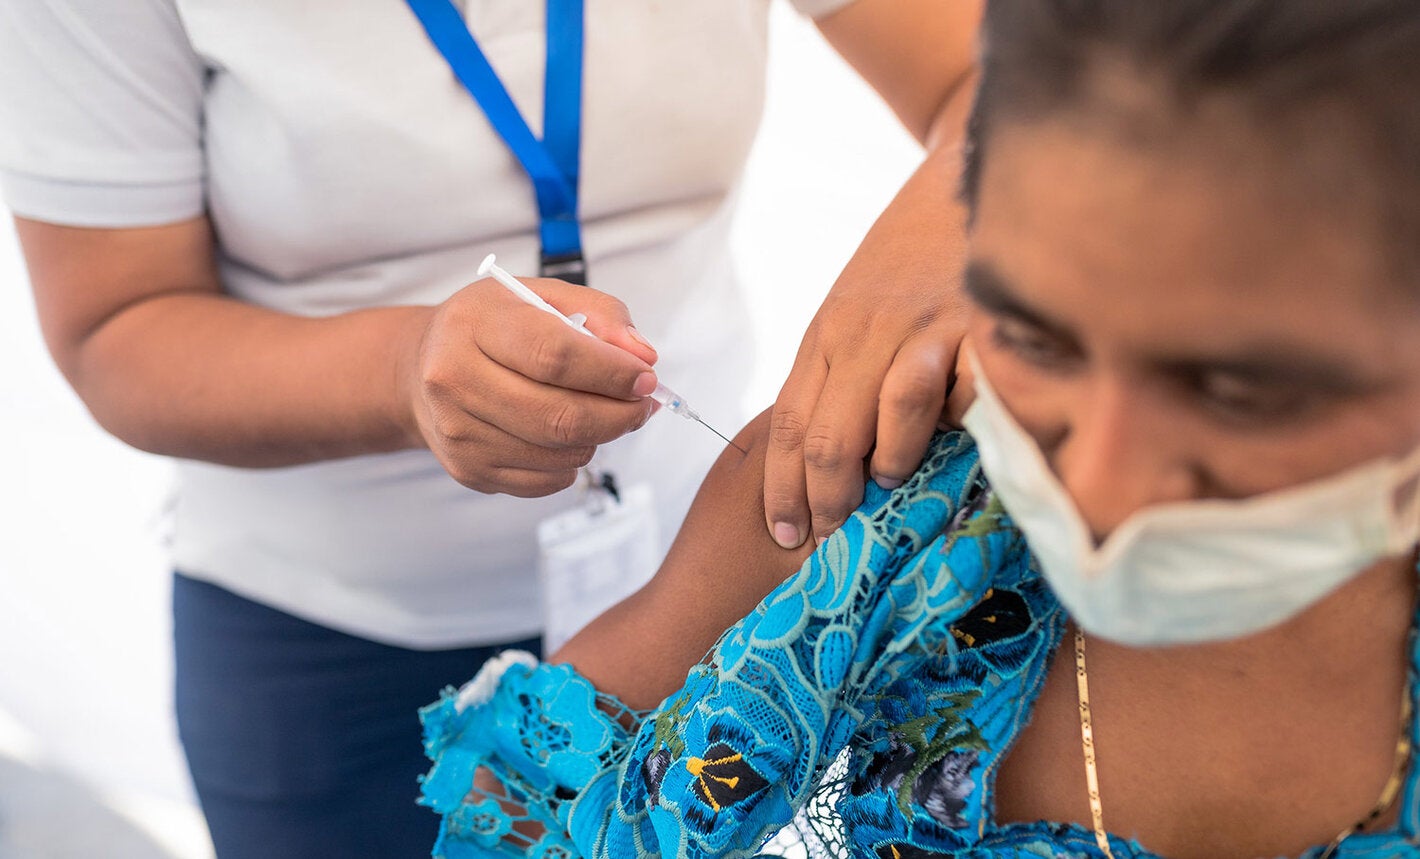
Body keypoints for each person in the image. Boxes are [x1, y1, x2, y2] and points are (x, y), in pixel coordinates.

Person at [419, 1, 1420, 857]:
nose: (1096, 481)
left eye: (1236, 389)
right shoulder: (865, 502)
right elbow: (524, 805)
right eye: (1034, 336)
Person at [0, 1, 980, 855]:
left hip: (699, 594)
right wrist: (401, 371)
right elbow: (113, 326)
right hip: (330, 641)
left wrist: (901, 272)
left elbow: (999, 78)